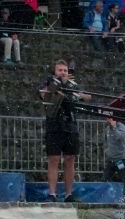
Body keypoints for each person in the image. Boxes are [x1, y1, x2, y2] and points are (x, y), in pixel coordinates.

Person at [39, 60, 90, 202]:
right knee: (53, 159)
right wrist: (58, 84)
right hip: (54, 125)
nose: (63, 72)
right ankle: (52, 194)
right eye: (60, 70)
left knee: (70, 159)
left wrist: (76, 93)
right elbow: (43, 94)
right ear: (55, 71)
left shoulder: (73, 84)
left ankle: (69, 194)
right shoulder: (48, 82)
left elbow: (87, 97)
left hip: (70, 124)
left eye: (65, 70)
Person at [103, 116, 125, 194]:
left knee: (124, 178)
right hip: (110, 159)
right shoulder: (107, 128)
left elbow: (120, 137)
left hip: (120, 159)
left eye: (108, 118)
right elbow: (106, 141)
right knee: (106, 178)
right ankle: (107, 195)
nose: (106, 120)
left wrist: (114, 127)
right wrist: (106, 151)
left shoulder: (121, 126)